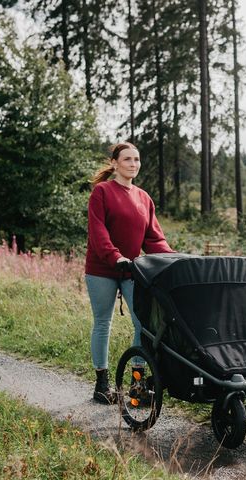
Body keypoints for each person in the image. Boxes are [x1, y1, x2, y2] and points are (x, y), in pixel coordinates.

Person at [85, 142, 172, 404]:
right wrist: (115, 256)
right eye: (127, 159)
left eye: (136, 159)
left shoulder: (144, 198)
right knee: (103, 323)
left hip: (133, 270)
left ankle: (137, 387)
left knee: (142, 325)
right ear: (114, 163)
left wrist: (174, 259)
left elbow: (153, 239)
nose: (133, 164)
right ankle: (102, 384)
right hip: (102, 269)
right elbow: (98, 233)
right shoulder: (102, 192)